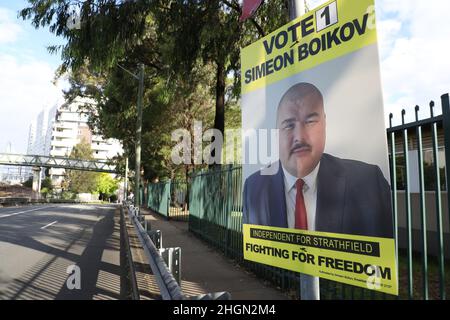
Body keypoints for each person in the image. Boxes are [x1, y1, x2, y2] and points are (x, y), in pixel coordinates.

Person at [243, 82, 393, 238]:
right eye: (288, 125)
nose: (300, 137)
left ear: (325, 123)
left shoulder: (368, 183)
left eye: (310, 121)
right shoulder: (253, 189)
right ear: (276, 134)